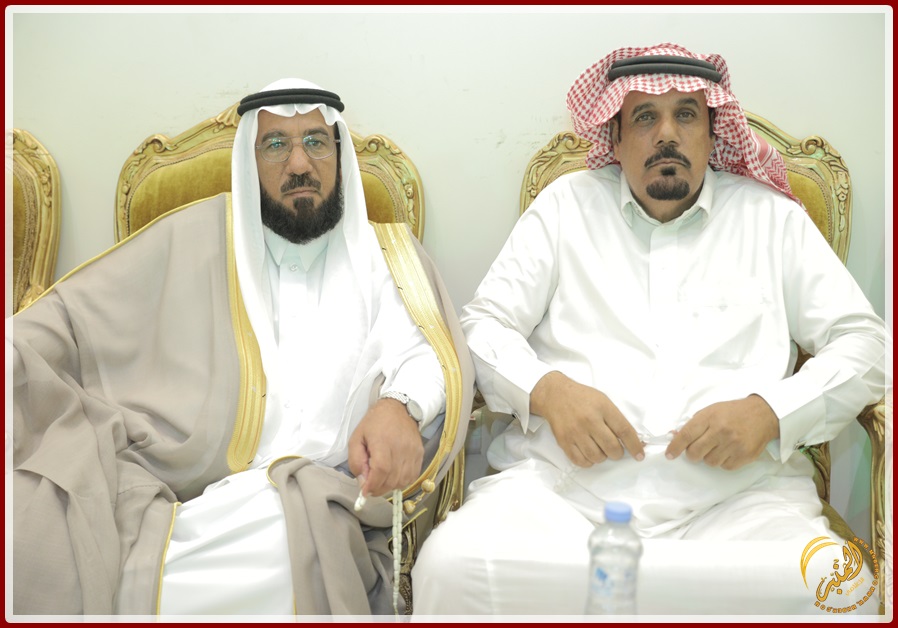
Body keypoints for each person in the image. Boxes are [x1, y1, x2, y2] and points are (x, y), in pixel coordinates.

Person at [412, 43, 888, 615]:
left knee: (840, 588)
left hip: (740, 503)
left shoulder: (772, 219)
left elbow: (867, 346)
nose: (667, 134)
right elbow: (481, 326)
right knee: (451, 566)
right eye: (644, 117)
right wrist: (548, 391)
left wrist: (771, 412)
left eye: (686, 114)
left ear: (712, 133)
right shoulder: (565, 208)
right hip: (562, 495)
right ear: (614, 137)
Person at [9, 78, 473, 616]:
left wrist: (401, 406)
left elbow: (429, 352)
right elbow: (67, 322)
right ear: (249, 161)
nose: (299, 163)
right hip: (178, 495)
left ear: (338, 153)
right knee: (50, 533)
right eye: (275, 145)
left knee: (281, 551)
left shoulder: (386, 256)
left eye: (315, 142)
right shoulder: (193, 239)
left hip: (309, 502)